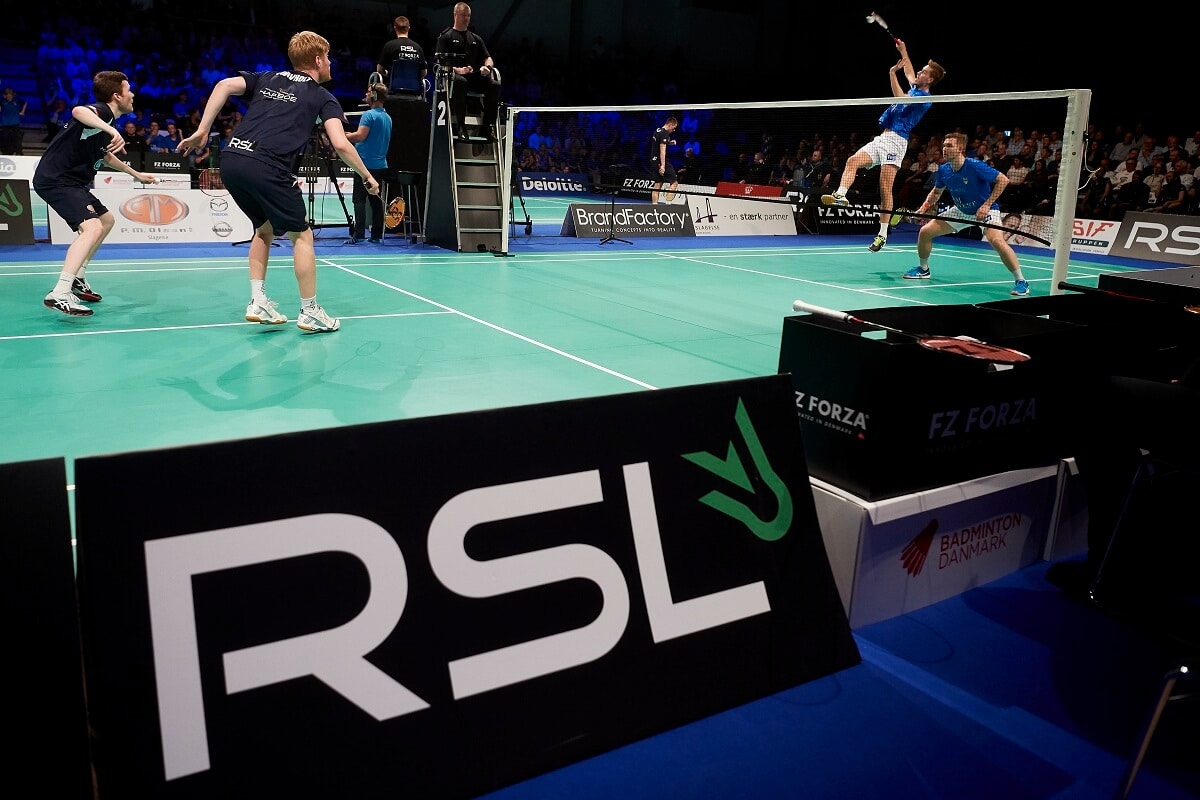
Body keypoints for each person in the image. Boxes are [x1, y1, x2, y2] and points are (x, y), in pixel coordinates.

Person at [177, 30, 380, 334]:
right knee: (303, 236)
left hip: (233, 159)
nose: (330, 63)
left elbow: (223, 85)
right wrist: (367, 175)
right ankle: (310, 311)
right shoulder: (323, 97)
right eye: (328, 58)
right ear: (317, 59)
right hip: (266, 164)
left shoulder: (267, 77)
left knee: (264, 229)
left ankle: (258, 300)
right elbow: (340, 144)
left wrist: (204, 130)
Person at [33, 71, 160, 316]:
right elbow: (78, 111)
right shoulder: (100, 112)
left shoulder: (104, 124)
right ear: (116, 96)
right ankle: (59, 292)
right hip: (57, 180)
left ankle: (78, 276)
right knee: (92, 228)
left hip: (71, 181)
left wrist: (137, 175)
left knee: (106, 220)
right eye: (128, 90)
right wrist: (111, 131)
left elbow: (104, 155)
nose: (132, 94)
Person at [822, 40, 945, 253]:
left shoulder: (924, 98)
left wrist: (891, 74)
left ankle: (882, 233)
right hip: (882, 137)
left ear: (930, 78)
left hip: (897, 141)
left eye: (923, 71)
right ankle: (841, 195)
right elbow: (908, 70)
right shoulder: (916, 88)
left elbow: (899, 97)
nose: (918, 71)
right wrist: (904, 50)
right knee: (852, 161)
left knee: (884, 188)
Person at [901, 132, 1031, 296]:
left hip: (986, 210)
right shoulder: (944, 170)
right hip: (961, 211)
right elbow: (936, 192)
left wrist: (986, 204)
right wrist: (925, 206)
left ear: (960, 149)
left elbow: (1003, 180)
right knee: (925, 232)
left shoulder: (975, 165)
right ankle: (923, 269)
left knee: (997, 240)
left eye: (949, 146)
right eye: (944, 146)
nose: (945, 149)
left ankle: (1021, 281)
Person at [435, 2, 499, 141]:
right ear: (455, 15)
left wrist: (487, 68)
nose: (466, 18)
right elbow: (440, 63)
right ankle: (460, 126)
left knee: (493, 84)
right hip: (453, 77)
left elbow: (488, 58)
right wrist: (458, 70)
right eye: (463, 15)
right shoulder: (446, 37)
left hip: (473, 76)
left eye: (468, 15)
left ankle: (487, 126)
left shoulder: (476, 39)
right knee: (461, 81)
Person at [345, 82, 392, 244]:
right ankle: (376, 236)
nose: (366, 94)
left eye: (369, 92)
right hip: (380, 165)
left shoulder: (369, 115)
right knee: (375, 201)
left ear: (374, 96)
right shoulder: (387, 117)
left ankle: (358, 236)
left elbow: (360, 136)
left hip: (364, 165)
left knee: (359, 200)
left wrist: (343, 136)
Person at [377, 15, 427, 98]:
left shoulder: (389, 45)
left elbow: (379, 69)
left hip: (393, 92)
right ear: (409, 28)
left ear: (395, 28)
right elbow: (424, 73)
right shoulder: (418, 48)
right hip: (414, 93)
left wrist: (390, 74)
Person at [647, 115, 679, 204]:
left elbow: (658, 143)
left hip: (653, 161)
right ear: (670, 124)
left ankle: (654, 209)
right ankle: (668, 201)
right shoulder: (665, 133)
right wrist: (663, 166)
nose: (674, 130)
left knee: (657, 185)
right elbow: (662, 150)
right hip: (660, 162)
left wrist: (669, 142)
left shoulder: (657, 131)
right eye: (673, 128)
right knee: (674, 183)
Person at [1, 86, 28, 155]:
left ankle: (19, 152)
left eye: (10, 96)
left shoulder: (17, 100)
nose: (9, 98)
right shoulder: (2, 101)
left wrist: (22, 111)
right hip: (5, 123)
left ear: (13, 95)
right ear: (5, 96)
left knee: (17, 138)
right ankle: (8, 152)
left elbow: (25, 102)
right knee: (6, 138)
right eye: (7, 96)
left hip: (15, 123)